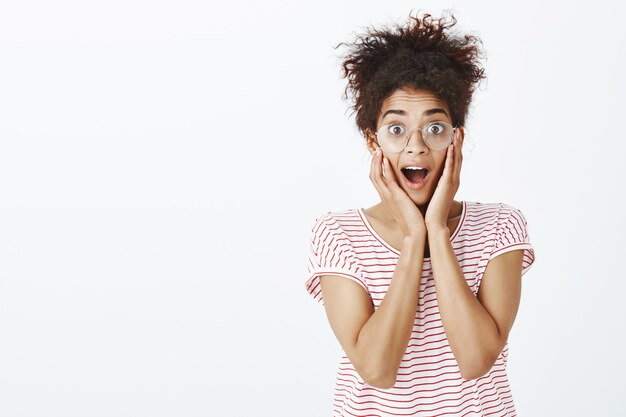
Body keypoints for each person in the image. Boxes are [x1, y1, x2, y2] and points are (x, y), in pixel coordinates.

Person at [304, 10, 536, 417]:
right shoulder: (337, 234)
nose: (416, 146)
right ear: (372, 141)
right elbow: (377, 369)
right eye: (396, 129)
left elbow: (476, 360)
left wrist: (436, 231)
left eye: (435, 128)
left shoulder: (500, 225)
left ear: (456, 138)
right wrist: (414, 239)